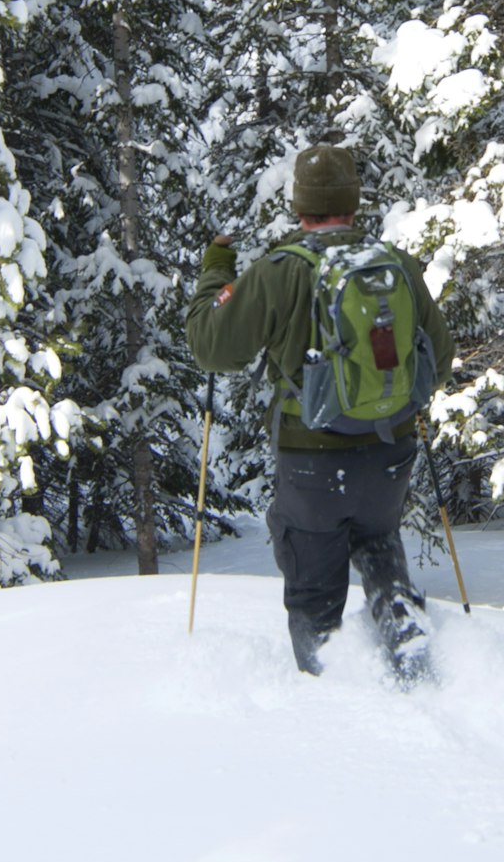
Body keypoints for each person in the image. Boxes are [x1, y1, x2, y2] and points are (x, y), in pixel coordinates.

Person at [186, 144, 454, 682]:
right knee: (379, 544)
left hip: (311, 460)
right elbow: (439, 360)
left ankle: (326, 692)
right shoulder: (394, 265)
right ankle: (412, 659)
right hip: (388, 451)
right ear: (353, 203)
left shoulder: (279, 271)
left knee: (312, 586)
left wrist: (216, 271)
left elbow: (212, 347)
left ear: (300, 205)